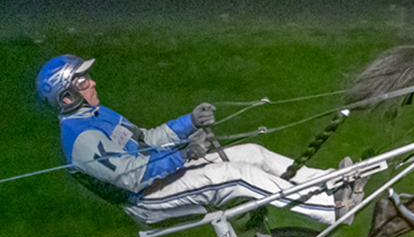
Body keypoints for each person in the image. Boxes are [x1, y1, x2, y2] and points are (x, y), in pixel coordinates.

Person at [37, 54, 362, 226]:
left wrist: (188, 122)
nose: (92, 82)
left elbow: (147, 139)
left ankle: (331, 185)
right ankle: (328, 210)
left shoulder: (97, 113)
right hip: (148, 199)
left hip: (162, 178)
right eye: (83, 81)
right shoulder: (80, 139)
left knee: (253, 153)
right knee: (237, 175)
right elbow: (132, 176)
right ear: (66, 97)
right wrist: (184, 155)